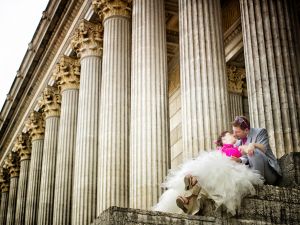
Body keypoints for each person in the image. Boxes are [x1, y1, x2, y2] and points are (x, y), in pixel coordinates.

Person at [152, 130, 264, 216]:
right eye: (230, 134)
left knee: (211, 169)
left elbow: (248, 156)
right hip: (222, 170)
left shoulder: (239, 147)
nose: (234, 134)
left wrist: (247, 151)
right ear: (224, 139)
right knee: (210, 168)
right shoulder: (222, 150)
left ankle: (192, 185)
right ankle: (188, 197)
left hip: (233, 169)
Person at [231, 116, 282, 184]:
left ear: (246, 130)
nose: (234, 135)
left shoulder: (260, 132)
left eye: (237, 132)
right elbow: (246, 157)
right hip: (251, 171)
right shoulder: (238, 142)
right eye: (233, 131)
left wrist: (253, 145)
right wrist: (239, 160)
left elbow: (264, 149)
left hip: (269, 173)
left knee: (253, 151)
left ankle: (258, 183)